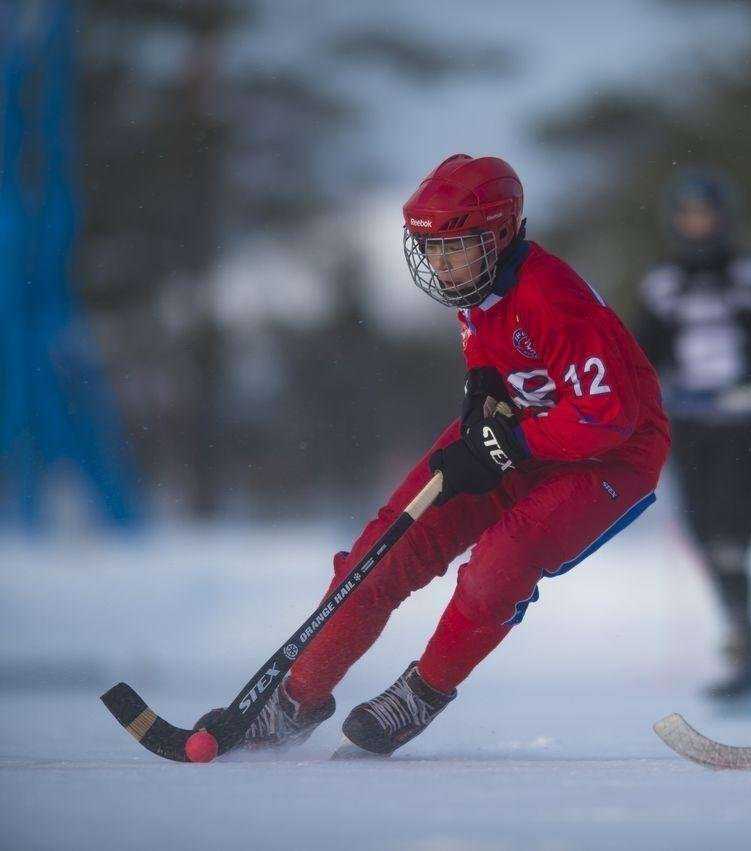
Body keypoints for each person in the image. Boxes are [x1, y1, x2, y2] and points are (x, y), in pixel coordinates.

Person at [197, 154, 670, 757]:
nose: (442, 265)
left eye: (456, 248)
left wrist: (511, 443)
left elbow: (607, 417)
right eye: (432, 251)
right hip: (526, 431)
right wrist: (482, 396)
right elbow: (487, 350)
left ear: (499, 235)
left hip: (611, 456)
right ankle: (294, 701)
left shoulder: (552, 296)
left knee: (502, 561)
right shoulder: (475, 283)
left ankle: (422, 692)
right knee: (383, 550)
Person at [633, 169, 751, 707]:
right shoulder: (662, 286)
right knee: (704, 536)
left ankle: (749, 657)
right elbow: (636, 359)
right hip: (691, 431)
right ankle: (744, 650)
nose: (699, 225)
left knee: (732, 540)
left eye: (707, 213)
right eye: (688, 214)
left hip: (745, 431)